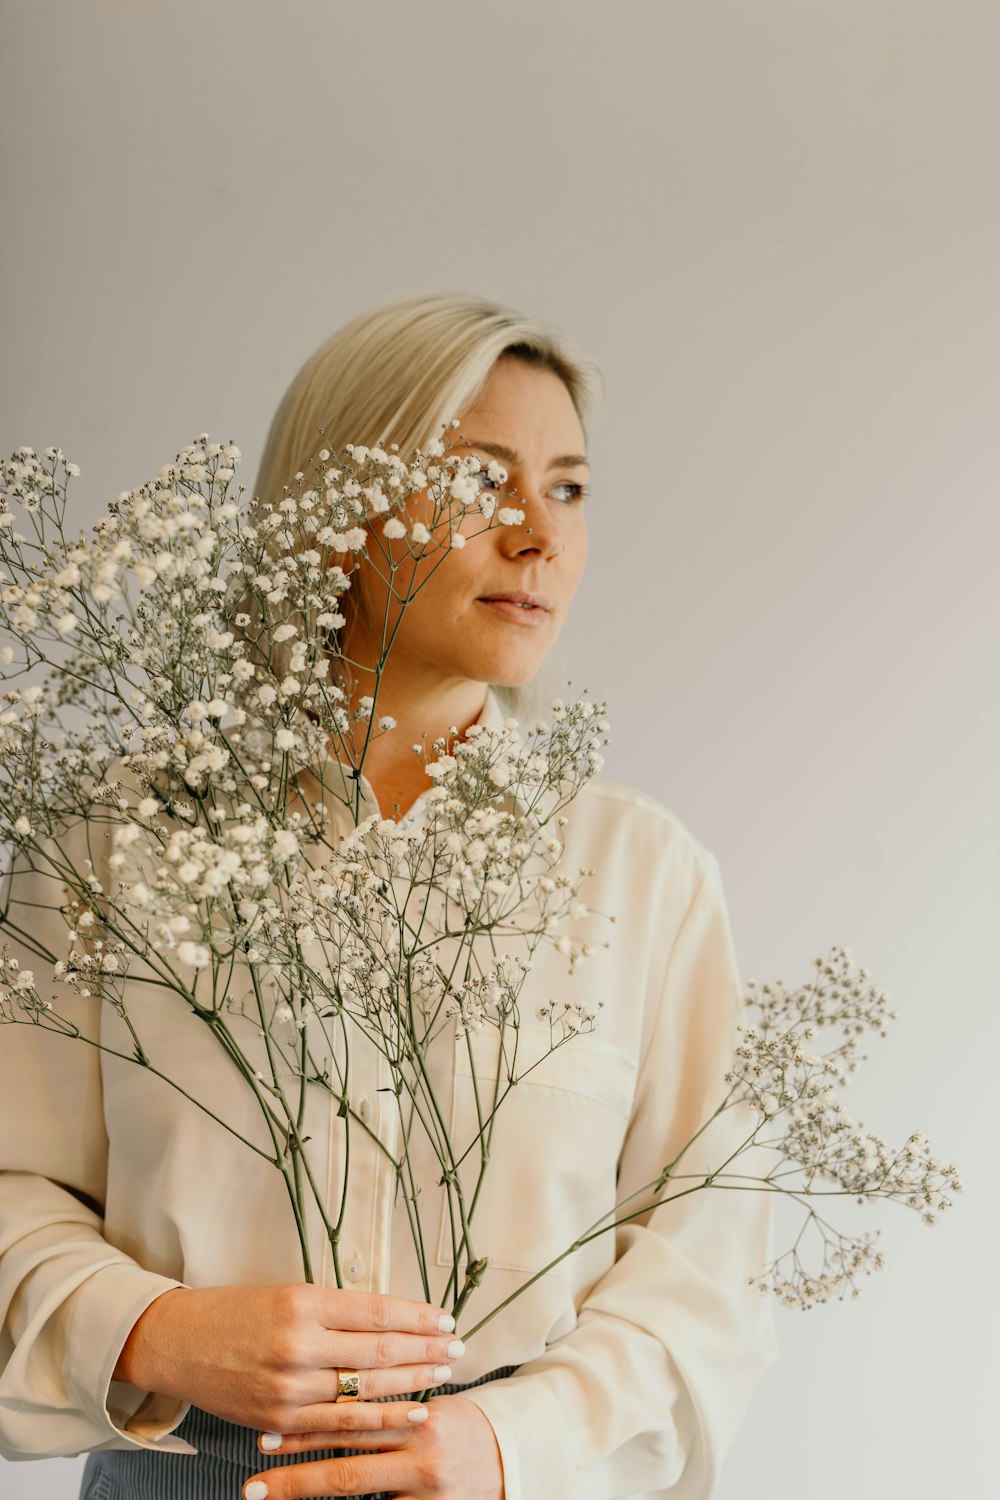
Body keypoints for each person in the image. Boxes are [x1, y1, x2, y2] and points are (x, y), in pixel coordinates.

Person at [0, 292, 777, 1500]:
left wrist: (511, 1439)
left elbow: (705, 1269)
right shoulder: (113, 840)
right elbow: (10, 1189)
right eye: (480, 479)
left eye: (568, 487)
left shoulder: (644, 879)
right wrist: (151, 1331)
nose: (538, 535)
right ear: (332, 504)